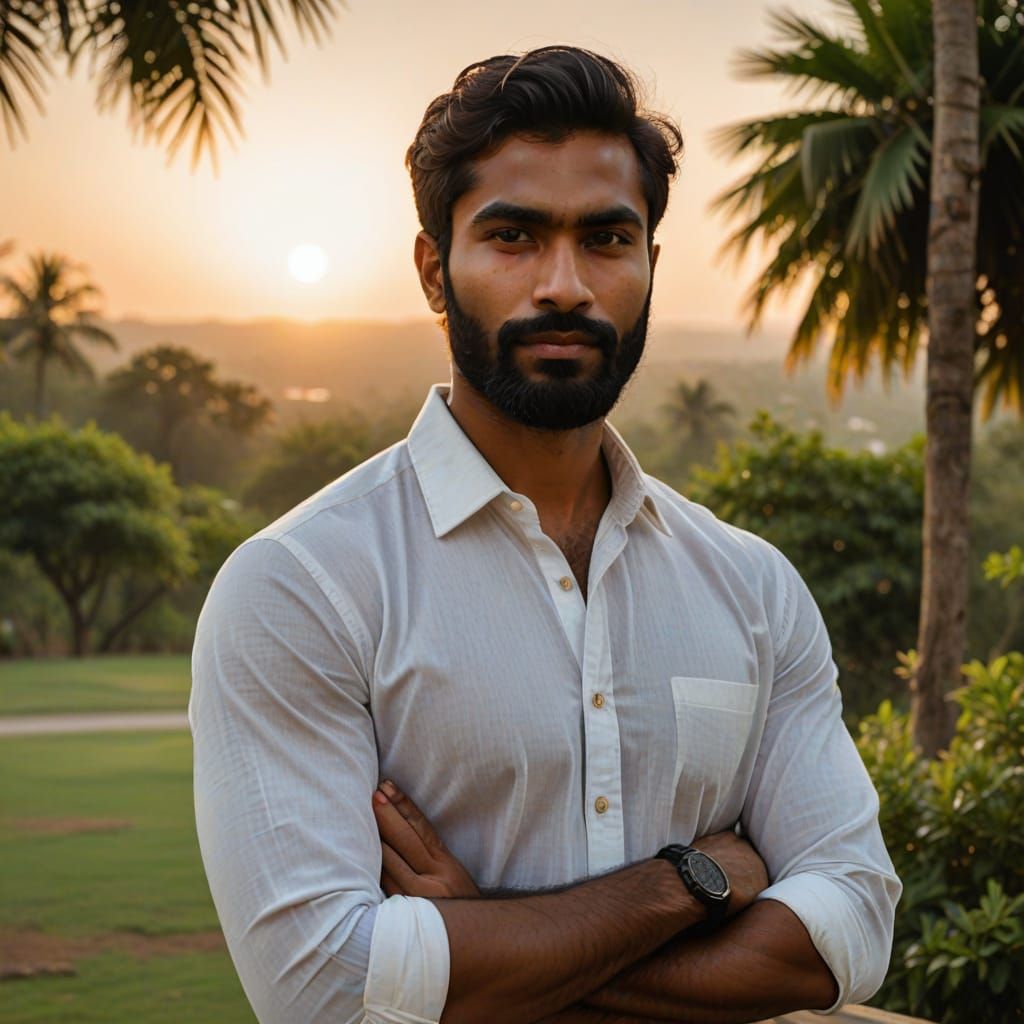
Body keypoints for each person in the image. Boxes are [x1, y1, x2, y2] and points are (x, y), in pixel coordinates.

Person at [190, 45, 901, 1024]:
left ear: (651, 262)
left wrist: (482, 943)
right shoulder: (304, 584)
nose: (564, 284)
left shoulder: (751, 588)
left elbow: (849, 927)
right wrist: (687, 882)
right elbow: (326, 989)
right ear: (435, 270)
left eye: (607, 238)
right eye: (514, 236)